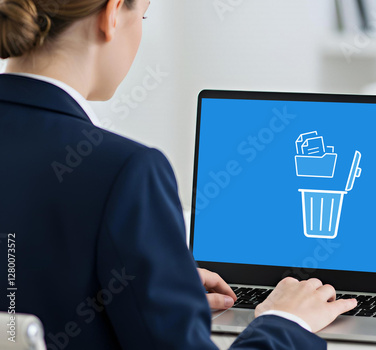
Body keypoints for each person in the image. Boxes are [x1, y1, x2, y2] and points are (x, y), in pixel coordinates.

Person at [0, 0, 357, 349]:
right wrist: (285, 322)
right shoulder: (124, 170)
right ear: (111, 14)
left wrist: (156, 289)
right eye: (143, 15)